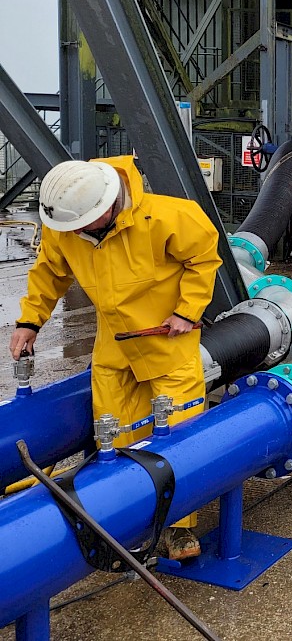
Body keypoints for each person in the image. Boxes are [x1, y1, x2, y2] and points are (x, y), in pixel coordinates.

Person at [10, 155, 222, 561]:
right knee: (114, 429)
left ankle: (177, 527)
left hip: (167, 341)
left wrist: (186, 311)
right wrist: (29, 322)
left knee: (177, 432)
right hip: (114, 344)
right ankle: (127, 512)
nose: (75, 233)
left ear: (106, 207)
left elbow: (204, 258)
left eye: (82, 225)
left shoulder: (168, 216)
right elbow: (48, 273)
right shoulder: (67, 226)